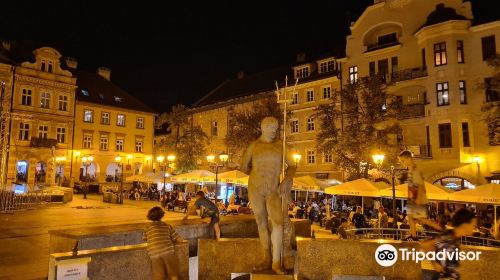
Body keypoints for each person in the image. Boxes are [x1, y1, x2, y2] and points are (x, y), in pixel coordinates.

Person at [398, 150, 442, 240]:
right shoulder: (411, 169)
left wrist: (418, 199)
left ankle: (442, 230)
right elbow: (420, 184)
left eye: (403, 160)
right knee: (410, 217)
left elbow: (419, 185)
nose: (402, 163)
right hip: (413, 197)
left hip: (416, 197)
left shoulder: (414, 169)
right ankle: (413, 236)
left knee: (421, 219)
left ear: (409, 158)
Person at [425, 208, 477, 280]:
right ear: (465, 224)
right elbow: (426, 244)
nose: (474, 228)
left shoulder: (456, 237)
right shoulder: (448, 236)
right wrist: (434, 263)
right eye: (473, 225)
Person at [144, 207, 184, 280]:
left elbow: (145, 239)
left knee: (158, 275)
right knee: (173, 274)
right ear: (162, 215)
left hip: (154, 253)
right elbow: (179, 239)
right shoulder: (166, 225)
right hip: (167, 251)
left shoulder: (147, 227)